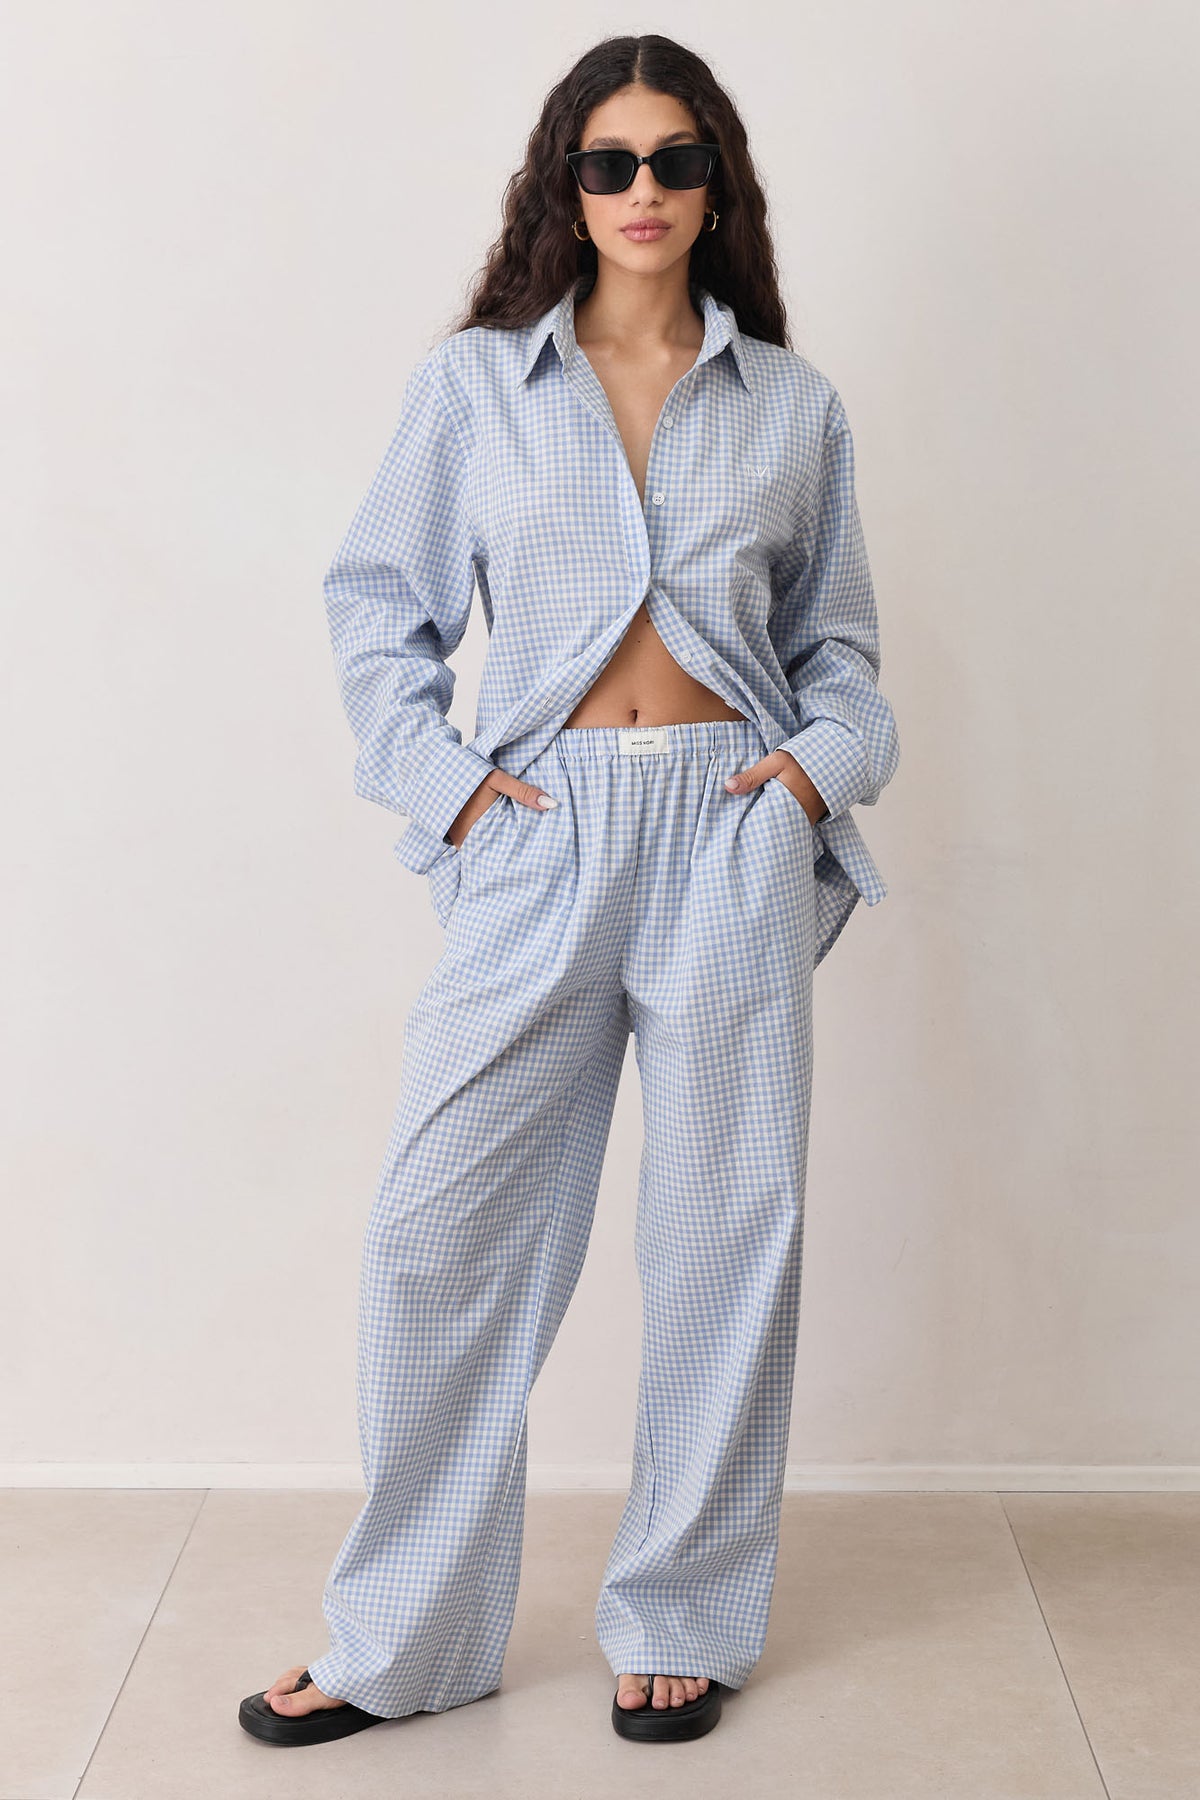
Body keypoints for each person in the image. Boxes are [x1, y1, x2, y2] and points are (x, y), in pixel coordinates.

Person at [239, 31, 899, 1751]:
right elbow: (374, 608)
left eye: (676, 160)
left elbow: (842, 654)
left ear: (717, 185)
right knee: (438, 1236)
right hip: (538, 832)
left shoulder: (794, 407)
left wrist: (814, 771)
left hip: (730, 827)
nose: (643, 191)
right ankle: (409, 1635)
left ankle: (681, 1615)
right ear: (565, 185)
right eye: (610, 163)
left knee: (724, 1235)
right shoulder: (475, 389)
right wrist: (457, 794)